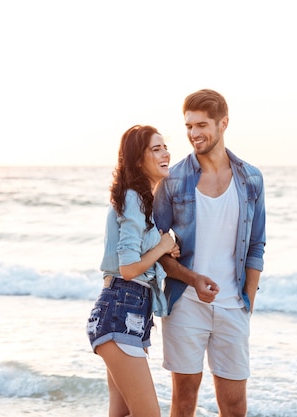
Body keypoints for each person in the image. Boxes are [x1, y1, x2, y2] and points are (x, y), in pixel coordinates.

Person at [154, 89, 266, 417]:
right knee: (184, 400)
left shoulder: (251, 179)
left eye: (201, 125)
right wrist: (192, 279)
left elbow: (257, 245)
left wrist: (247, 301)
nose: (193, 134)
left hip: (233, 306)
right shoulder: (173, 180)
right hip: (185, 303)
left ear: (223, 124)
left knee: (234, 406)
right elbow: (155, 247)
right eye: (188, 126)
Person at [86, 125, 179, 417]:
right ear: (138, 160)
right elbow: (127, 269)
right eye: (156, 148)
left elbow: (140, 257)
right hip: (120, 311)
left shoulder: (143, 201)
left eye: (165, 147)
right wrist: (162, 247)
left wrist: (164, 248)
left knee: (122, 414)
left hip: (131, 313)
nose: (165, 153)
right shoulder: (132, 198)